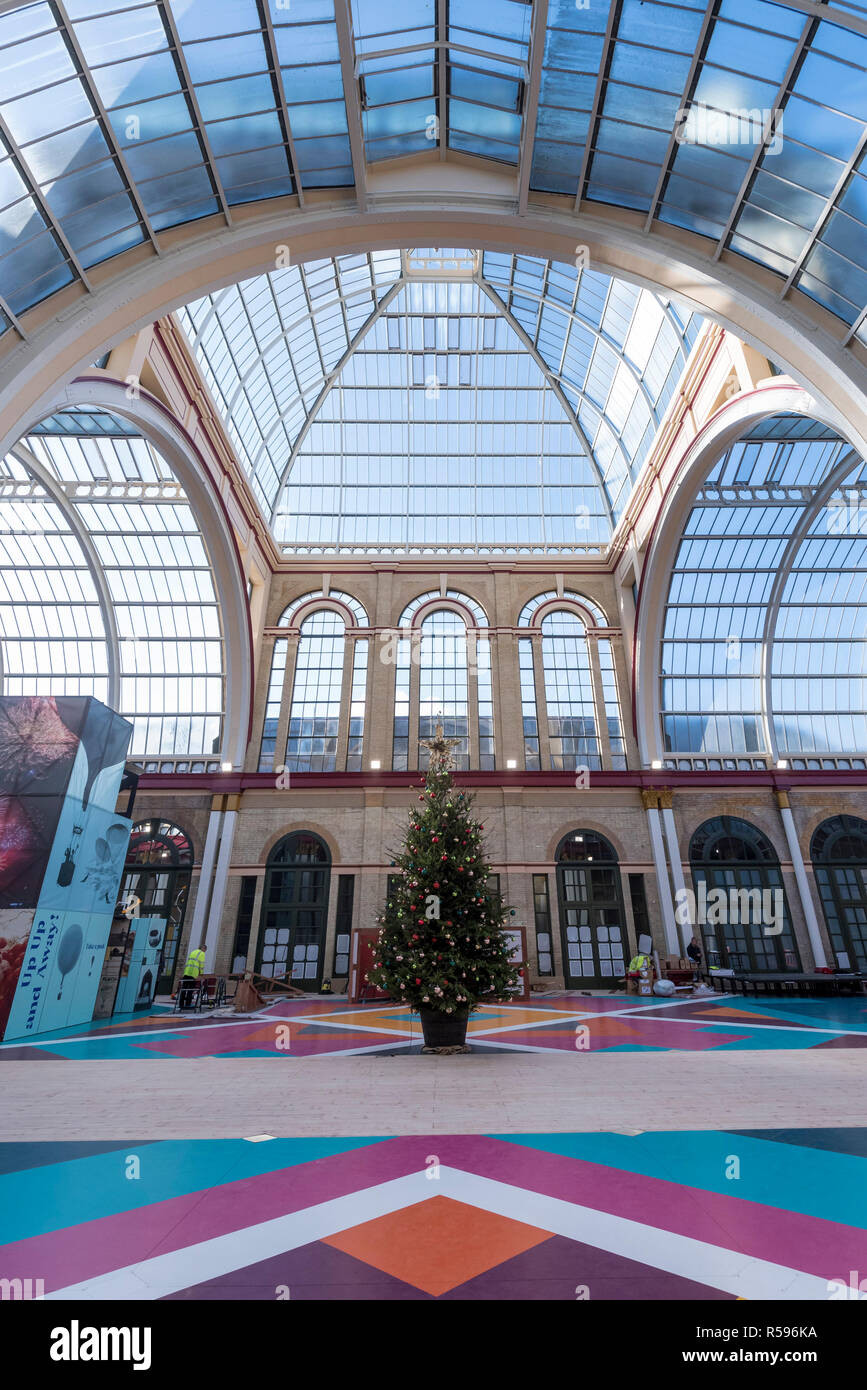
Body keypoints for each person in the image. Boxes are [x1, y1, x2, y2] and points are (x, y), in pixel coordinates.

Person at [177, 946, 206, 1010]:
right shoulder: (202, 953)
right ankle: (188, 1003)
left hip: (186, 972)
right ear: (203, 949)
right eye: (205, 950)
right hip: (193, 973)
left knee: (184, 988)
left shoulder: (193, 952)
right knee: (190, 989)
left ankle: (181, 1004)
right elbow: (201, 964)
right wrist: (201, 974)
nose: (204, 952)